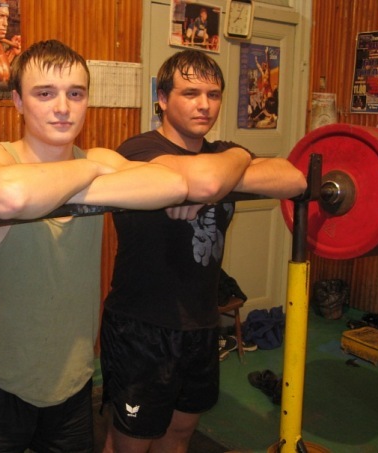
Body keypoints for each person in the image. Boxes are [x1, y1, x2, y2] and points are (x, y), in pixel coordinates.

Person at [0, 39, 188, 452]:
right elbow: (10, 196)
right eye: (44, 94)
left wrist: (78, 177)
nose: (63, 107)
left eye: (76, 94)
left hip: (74, 380)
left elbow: (172, 184)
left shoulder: (95, 157)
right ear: (18, 101)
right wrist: (92, 171)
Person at [100, 49, 307, 452]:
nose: (204, 105)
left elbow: (294, 178)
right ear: (162, 99)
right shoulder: (138, 151)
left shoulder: (224, 154)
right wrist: (223, 173)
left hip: (201, 323)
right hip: (142, 326)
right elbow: (210, 184)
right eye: (191, 93)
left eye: (213, 95)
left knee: (179, 436)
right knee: (129, 445)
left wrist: (235, 158)